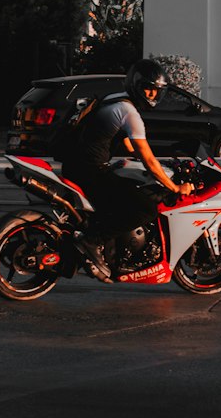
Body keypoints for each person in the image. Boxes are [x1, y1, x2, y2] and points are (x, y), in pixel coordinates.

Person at [61, 59, 192, 282]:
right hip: (91, 170)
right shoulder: (129, 112)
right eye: (148, 90)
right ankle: (91, 241)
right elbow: (147, 158)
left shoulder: (113, 100)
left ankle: (102, 248)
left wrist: (153, 162)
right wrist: (174, 186)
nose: (152, 96)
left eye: (156, 92)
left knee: (119, 197)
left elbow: (131, 146)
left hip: (74, 165)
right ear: (136, 86)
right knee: (145, 208)